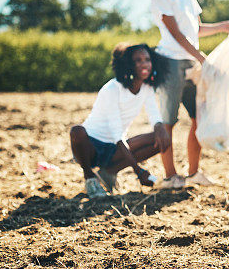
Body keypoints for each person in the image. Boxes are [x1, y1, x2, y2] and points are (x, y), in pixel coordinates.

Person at [147, 0, 229, 189]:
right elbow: (177, 34)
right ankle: (170, 176)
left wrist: (224, 26)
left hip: (191, 64)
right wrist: (201, 57)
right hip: (169, 64)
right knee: (168, 121)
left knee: (197, 118)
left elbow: (196, 29)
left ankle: (193, 173)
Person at [70, 43, 171, 198]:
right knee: (77, 131)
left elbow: (154, 115)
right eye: (138, 60)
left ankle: (108, 173)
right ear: (128, 65)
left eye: (147, 59)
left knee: (161, 139)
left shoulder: (147, 88)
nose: (144, 63)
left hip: (113, 149)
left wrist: (160, 127)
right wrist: (139, 171)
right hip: (90, 147)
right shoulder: (112, 89)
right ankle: (90, 178)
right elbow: (117, 135)